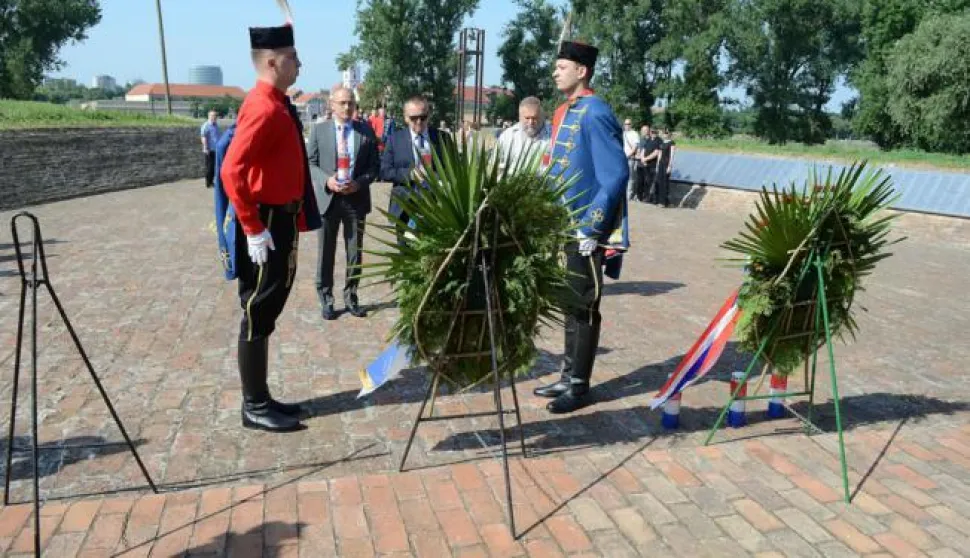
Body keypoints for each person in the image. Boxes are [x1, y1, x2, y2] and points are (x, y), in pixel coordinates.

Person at [219, 21, 321, 432]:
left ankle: (261, 396)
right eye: (294, 58)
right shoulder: (262, 106)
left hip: (281, 218)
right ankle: (254, 405)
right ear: (273, 61)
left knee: (268, 306)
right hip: (266, 221)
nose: (300, 64)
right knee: (257, 308)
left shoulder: (276, 102)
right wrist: (252, 227)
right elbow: (232, 170)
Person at [533, 40, 628, 414]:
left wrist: (592, 228)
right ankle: (566, 372)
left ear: (581, 71)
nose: (555, 72)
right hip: (562, 225)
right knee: (569, 303)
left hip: (584, 229)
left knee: (584, 305)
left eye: (561, 66)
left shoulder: (596, 112)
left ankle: (579, 385)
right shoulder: (564, 111)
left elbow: (615, 174)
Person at [307, 84, 379, 321]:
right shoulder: (319, 131)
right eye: (342, 103)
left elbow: (374, 168)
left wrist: (359, 183)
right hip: (328, 200)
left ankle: (351, 295)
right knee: (326, 251)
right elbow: (309, 163)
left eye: (351, 103)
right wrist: (326, 181)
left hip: (355, 200)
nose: (347, 107)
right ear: (332, 105)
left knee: (354, 252)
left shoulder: (366, 131)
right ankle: (326, 298)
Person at [380, 95, 449, 245]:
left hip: (436, 207)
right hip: (405, 207)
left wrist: (434, 175)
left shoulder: (443, 138)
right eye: (414, 118)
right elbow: (385, 171)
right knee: (405, 256)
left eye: (423, 117)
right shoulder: (394, 140)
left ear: (429, 115)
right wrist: (409, 174)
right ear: (405, 117)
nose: (419, 121)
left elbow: (452, 170)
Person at [495, 96, 551, 175]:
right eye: (527, 118)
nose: (531, 122)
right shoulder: (507, 137)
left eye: (534, 118)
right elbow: (495, 164)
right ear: (520, 117)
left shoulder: (554, 136)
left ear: (542, 116)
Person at [637, 124, 661, 203]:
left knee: (654, 183)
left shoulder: (659, 140)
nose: (653, 133)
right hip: (646, 165)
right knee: (647, 182)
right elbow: (643, 149)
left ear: (657, 132)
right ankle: (647, 198)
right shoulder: (648, 140)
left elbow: (656, 152)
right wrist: (642, 159)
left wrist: (645, 159)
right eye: (652, 132)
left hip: (653, 165)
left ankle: (655, 199)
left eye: (654, 132)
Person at [655, 128, 676, 207]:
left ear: (669, 134)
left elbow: (672, 155)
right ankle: (661, 201)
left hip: (667, 163)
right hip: (661, 163)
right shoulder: (662, 142)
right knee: (660, 182)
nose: (665, 134)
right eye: (664, 133)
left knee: (665, 182)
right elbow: (659, 154)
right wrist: (657, 165)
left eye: (666, 133)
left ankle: (664, 202)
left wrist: (669, 166)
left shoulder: (672, 143)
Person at [201, 110, 221, 188]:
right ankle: (208, 183)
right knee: (209, 167)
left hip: (216, 149)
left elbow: (217, 136)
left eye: (215, 115)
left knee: (214, 167)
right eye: (212, 115)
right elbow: (203, 137)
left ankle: (211, 182)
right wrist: (206, 148)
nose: (214, 117)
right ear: (209, 116)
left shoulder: (216, 125)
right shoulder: (206, 125)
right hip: (209, 150)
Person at [622, 118, 640, 200]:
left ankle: (628, 195)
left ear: (631, 125)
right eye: (625, 124)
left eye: (628, 124)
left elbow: (635, 147)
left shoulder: (634, 134)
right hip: (622, 159)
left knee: (630, 177)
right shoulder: (622, 133)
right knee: (622, 176)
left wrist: (628, 155)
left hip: (630, 158)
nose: (627, 125)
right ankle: (622, 194)